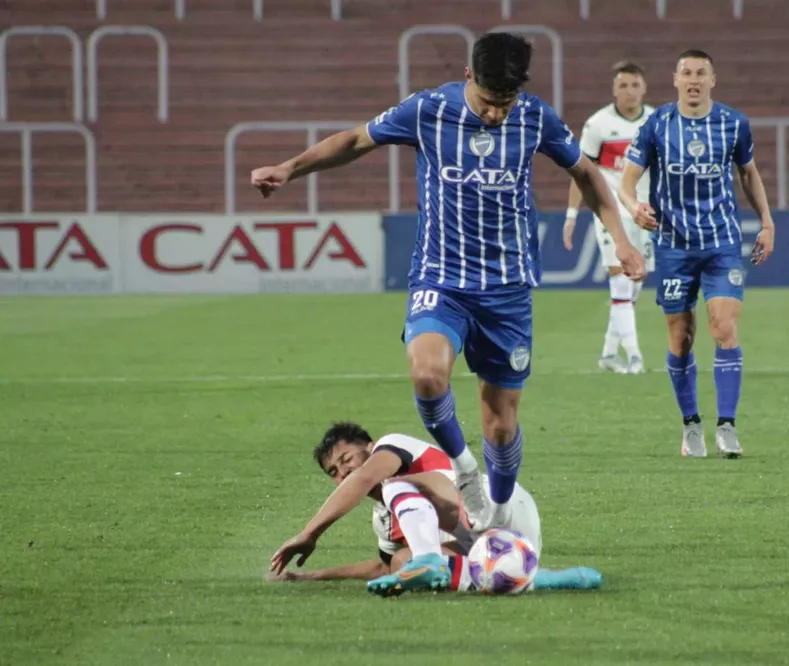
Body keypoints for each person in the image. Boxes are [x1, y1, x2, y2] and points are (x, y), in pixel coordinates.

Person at [251, 33, 647, 532]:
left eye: (504, 104)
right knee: (426, 374)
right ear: (467, 76)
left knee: (500, 425)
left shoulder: (535, 117)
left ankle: (501, 514)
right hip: (441, 277)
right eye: (486, 102)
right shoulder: (429, 109)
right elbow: (354, 140)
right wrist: (290, 168)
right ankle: (462, 469)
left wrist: (622, 239)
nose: (495, 115)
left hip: (506, 288)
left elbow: (588, 176)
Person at [618, 49, 775, 458]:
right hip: (673, 247)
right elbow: (627, 181)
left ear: (712, 80)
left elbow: (749, 174)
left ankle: (727, 426)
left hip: (721, 243)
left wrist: (767, 222)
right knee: (681, 337)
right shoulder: (657, 124)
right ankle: (691, 425)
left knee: (724, 328)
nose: (692, 80)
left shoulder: (732, 123)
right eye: (686, 73)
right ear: (675, 79)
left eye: (700, 73)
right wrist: (635, 206)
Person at [268, 421, 603, 594]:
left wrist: (310, 534)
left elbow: (365, 478)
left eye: (346, 460)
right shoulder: (384, 518)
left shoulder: (391, 446)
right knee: (400, 560)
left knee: (395, 484)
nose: (343, 473)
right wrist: (310, 575)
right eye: (333, 472)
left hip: (502, 506)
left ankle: (434, 561)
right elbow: (384, 568)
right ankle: (534, 579)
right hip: (494, 547)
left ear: (369, 448)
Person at [562, 60, 656, 374]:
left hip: (646, 213)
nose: (629, 91)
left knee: (635, 285)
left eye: (634, 85)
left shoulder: (656, 122)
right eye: (623, 86)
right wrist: (572, 214)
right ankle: (635, 357)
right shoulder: (598, 125)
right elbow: (581, 172)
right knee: (620, 282)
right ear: (614, 90)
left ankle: (607, 354)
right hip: (610, 212)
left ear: (644, 88)